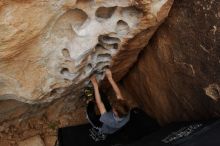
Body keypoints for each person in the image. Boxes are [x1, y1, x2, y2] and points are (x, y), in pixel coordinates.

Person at [86, 69, 130, 139]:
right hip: (115, 122)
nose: (113, 105)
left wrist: (95, 84)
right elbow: (118, 93)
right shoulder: (125, 109)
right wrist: (110, 78)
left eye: (114, 108)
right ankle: (96, 92)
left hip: (103, 127)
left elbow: (99, 103)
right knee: (103, 98)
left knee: (90, 113)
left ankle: (89, 100)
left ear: (115, 112)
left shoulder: (108, 118)